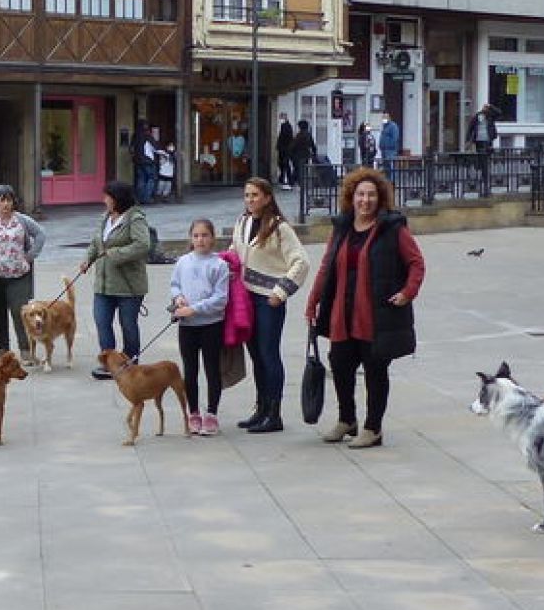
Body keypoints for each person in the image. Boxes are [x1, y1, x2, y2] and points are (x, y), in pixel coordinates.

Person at [304, 167, 425, 450]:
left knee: (375, 370)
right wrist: (313, 301)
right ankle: (348, 420)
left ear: (380, 198)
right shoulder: (342, 227)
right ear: (351, 197)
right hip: (342, 313)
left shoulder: (393, 228)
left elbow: (416, 263)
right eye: (360, 194)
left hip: (375, 315)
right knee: (340, 364)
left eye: (371, 195)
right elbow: (326, 266)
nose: (365, 200)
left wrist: (408, 293)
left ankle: (373, 428)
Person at [233, 177, 309, 434]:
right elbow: (235, 252)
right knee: (255, 355)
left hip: (268, 300)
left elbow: (301, 262)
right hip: (246, 297)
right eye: (247, 195)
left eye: (255, 195)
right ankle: (262, 408)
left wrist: (281, 292)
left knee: (268, 354)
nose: (250, 200)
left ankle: (274, 414)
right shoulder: (242, 222)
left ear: (267, 198)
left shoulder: (279, 228)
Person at [80, 180, 150, 380]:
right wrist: (87, 260)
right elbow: (96, 243)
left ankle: (130, 362)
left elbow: (143, 245)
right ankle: (109, 362)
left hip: (128, 285)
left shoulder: (135, 219)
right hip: (103, 284)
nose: (104, 200)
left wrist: (116, 253)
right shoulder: (105, 219)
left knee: (128, 324)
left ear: (118, 199)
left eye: (107, 197)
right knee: (102, 322)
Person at [168, 218, 229, 436]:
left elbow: (220, 299)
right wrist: (179, 299)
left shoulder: (219, 265)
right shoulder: (183, 261)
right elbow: (175, 285)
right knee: (190, 370)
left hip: (211, 325)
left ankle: (211, 413)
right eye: (196, 236)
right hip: (187, 326)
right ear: (190, 238)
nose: (200, 240)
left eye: (205, 235)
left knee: (212, 369)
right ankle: (193, 412)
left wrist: (195, 309)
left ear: (212, 238)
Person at [0, 184, 45, 358]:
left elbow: (41, 235)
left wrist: (30, 256)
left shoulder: (22, 220)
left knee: (22, 314)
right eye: (1, 200)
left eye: (9, 200)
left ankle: (26, 350)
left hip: (19, 276)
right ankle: (3, 349)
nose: (6, 204)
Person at [468, 102, 499, 180]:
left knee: (486, 157)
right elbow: (471, 127)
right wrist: (468, 139)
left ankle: (484, 174)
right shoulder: (478, 115)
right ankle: (483, 173)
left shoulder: (490, 115)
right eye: (484, 108)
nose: (485, 109)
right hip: (479, 140)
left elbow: (499, 112)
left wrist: (491, 106)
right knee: (481, 157)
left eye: (486, 108)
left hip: (488, 140)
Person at [289, 119, 319, 190]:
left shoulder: (299, 135)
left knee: (298, 170)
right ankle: (296, 183)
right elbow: (313, 145)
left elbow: (293, 146)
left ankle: (295, 184)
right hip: (305, 155)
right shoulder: (308, 135)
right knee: (301, 170)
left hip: (298, 155)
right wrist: (314, 154)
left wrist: (290, 154)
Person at [133, 122, 158, 204]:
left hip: (138, 161)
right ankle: (146, 198)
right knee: (151, 179)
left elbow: (131, 148)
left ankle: (139, 198)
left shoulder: (135, 136)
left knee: (141, 179)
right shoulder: (148, 136)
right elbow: (155, 147)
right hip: (148, 161)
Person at [276, 114, 297, 189]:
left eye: (281, 118)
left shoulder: (285, 126)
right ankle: (285, 179)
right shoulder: (287, 126)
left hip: (284, 149)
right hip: (285, 149)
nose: (280, 119)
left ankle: (287, 180)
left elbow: (284, 138)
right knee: (284, 164)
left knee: (284, 164)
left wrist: (280, 146)